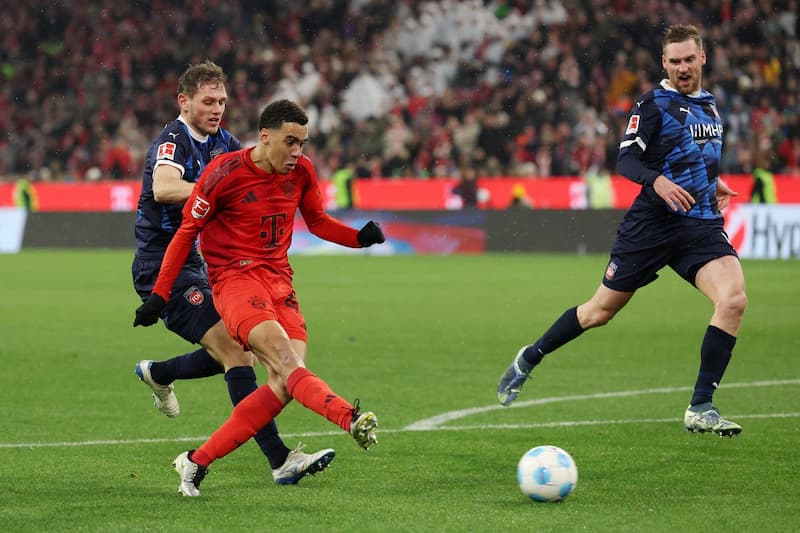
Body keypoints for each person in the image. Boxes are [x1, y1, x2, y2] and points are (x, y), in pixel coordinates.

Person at [497, 24, 746, 437]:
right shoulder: (651, 105)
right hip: (651, 226)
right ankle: (529, 357)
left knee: (734, 300)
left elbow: (698, 154)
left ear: (703, 58)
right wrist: (658, 181)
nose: (683, 67)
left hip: (699, 226)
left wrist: (711, 180)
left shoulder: (712, 106)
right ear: (664, 63)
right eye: (675, 61)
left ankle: (701, 406)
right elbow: (627, 161)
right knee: (599, 312)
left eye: (689, 59)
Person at [134, 99, 386, 496]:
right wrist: (159, 295)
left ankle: (196, 461)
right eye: (290, 141)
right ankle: (349, 418)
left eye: (302, 142)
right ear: (265, 137)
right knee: (286, 363)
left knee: (285, 382)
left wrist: (358, 238)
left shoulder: (301, 171)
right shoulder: (224, 173)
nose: (297, 151)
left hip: (280, 282)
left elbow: (317, 221)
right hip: (235, 282)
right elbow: (185, 233)